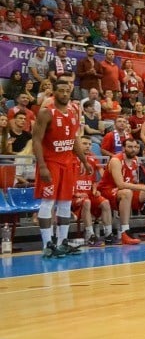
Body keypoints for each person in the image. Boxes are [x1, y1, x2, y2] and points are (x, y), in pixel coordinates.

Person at [32, 78, 88, 258]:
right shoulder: (46, 113)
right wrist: (41, 166)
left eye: (67, 91)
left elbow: (74, 139)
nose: (65, 94)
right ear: (54, 93)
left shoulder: (73, 111)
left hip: (68, 163)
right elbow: (36, 140)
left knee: (65, 203)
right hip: (50, 163)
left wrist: (84, 160)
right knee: (48, 202)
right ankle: (47, 244)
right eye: (61, 91)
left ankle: (62, 241)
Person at [98, 136, 145, 244]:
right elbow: (120, 184)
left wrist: (143, 188)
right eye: (129, 147)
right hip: (108, 190)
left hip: (125, 191)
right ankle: (124, 231)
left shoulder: (136, 160)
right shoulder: (116, 160)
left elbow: (133, 181)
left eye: (135, 147)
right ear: (123, 148)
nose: (133, 149)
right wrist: (142, 187)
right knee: (127, 192)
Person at [72, 136, 114, 247]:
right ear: (77, 145)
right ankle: (90, 235)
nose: (87, 146)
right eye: (84, 143)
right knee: (86, 202)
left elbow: (97, 178)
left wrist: (95, 189)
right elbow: (66, 179)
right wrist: (75, 192)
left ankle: (108, 234)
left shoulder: (92, 157)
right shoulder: (71, 157)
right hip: (74, 195)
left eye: (89, 144)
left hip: (89, 193)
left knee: (105, 203)